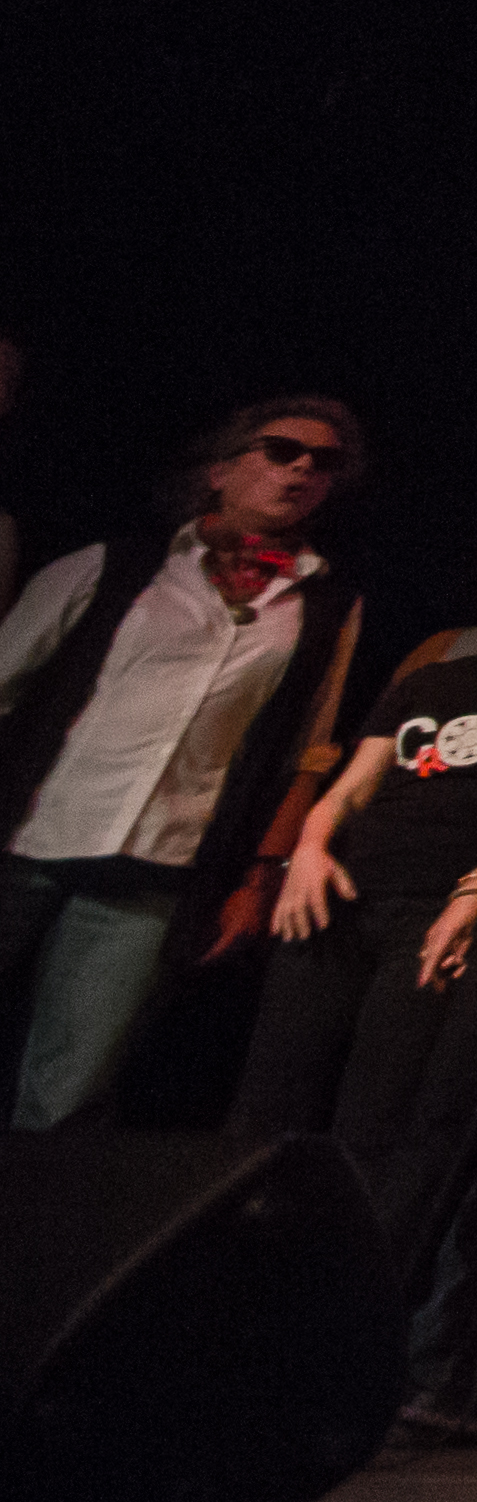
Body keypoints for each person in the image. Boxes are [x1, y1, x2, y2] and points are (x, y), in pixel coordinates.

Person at [230, 517, 477, 1259]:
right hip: (344, 895)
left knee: (378, 1110)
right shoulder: (434, 681)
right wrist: (307, 849)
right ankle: (229, 1259)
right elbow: (353, 787)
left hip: (441, 912)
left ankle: (330, 1280)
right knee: (270, 1095)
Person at [0, 396, 375, 1128]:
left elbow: (308, 753)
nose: (301, 469)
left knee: (69, 1092)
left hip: (160, 865)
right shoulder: (113, 566)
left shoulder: (325, 604)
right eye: (280, 450)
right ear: (221, 470)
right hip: (28, 839)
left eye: (322, 463)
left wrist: (257, 877)